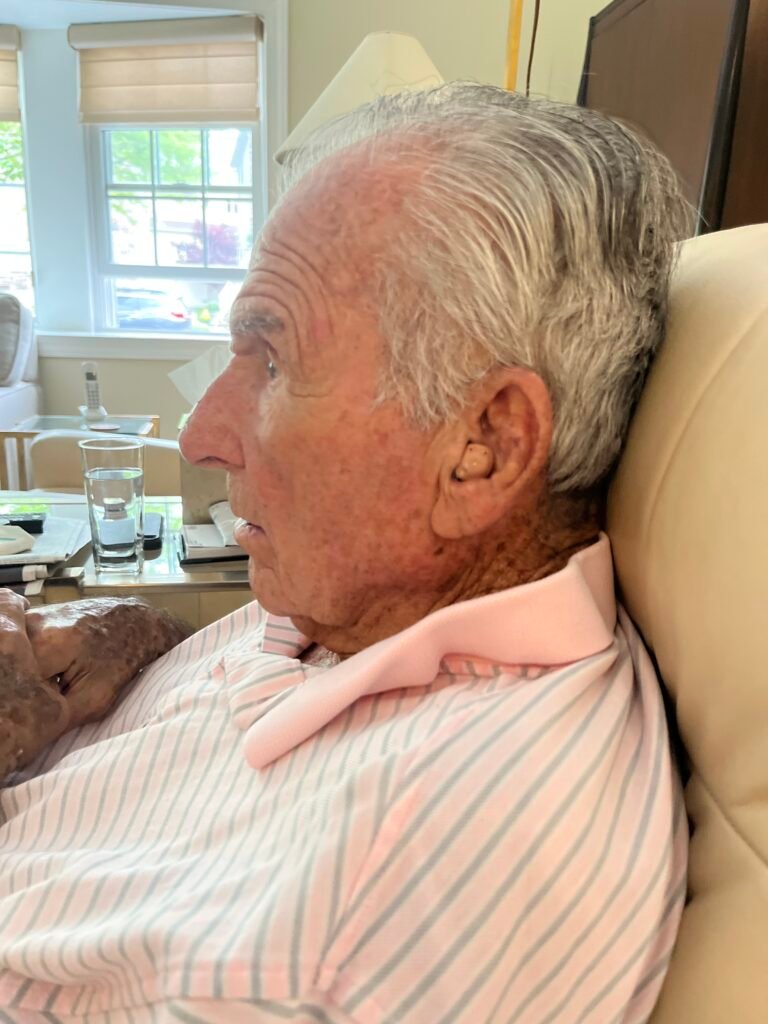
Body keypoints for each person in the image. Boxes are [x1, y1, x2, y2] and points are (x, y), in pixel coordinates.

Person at [0, 85, 691, 1023]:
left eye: (273, 362)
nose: (199, 438)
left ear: (484, 448)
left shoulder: (387, 898)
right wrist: (134, 633)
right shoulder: (357, 592)